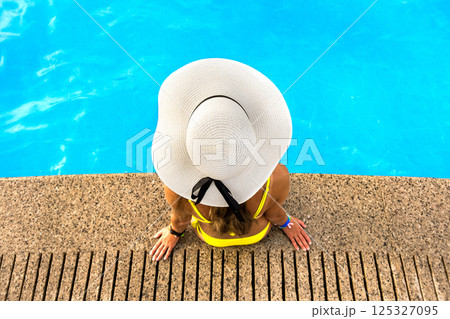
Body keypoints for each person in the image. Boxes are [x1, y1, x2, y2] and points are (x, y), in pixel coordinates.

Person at [149, 58, 311, 261]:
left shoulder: (178, 190)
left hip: (211, 237)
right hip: (254, 233)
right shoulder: (276, 178)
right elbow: (275, 215)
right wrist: (286, 223)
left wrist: (174, 233)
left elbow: (180, 220)